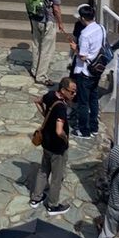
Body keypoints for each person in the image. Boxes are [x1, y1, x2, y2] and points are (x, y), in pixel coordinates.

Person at [30, 76, 75, 213]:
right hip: (57, 147)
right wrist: (65, 138)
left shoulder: (50, 95)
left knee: (43, 170)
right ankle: (53, 205)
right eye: (72, 91)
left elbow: (38, 101)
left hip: (46, 143)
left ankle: (36, 198)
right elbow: (59, 130)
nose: (74, 94)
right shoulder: (61, 108)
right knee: (57, 177)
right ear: (63, 90)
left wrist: (45, 114)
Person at [69, 1, 107, 140]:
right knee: (93, 99)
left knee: (83, 102)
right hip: (97, 69)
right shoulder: (101, 28)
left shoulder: (85, 34)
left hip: (85, 71)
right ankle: (94, 127)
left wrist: (75, 49)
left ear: (83, 18)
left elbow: (83, 56)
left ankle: (84, 131)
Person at [26, 0, 66, 82]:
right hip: (48, 20)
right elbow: (56, 8)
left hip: (35, 17)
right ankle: (41, 76)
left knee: (36, 44)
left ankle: (34, 70)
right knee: (47, 49)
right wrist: (60, 22)